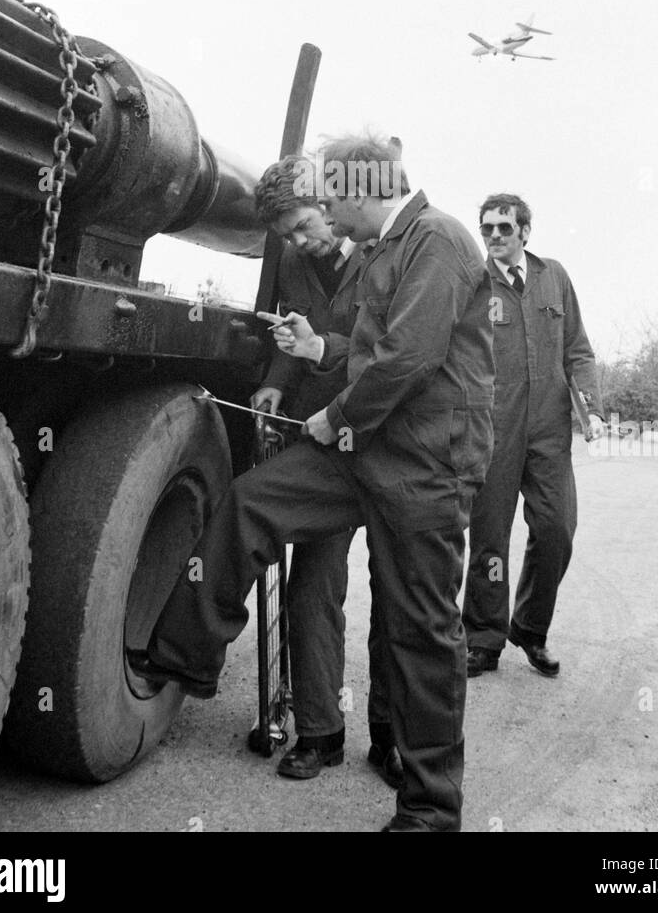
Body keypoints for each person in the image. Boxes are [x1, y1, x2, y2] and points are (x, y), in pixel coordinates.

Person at [130, 135, 494, 832]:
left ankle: (429, 809)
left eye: (330, 195)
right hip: (364, 450)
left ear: (363, 187)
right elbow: (363, 349)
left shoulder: (438, 238)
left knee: (420, 632)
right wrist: (316, 350)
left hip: (422, 465)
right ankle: (187, 657)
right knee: (252, 503)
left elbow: (407, 360)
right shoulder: (388, 248)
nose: (323, 209)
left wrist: (333, 416)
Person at [250, 156, 401, 788]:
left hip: (392, 443)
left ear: (331, 201)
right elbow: (291, 334)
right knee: (313, 586)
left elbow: (398, 353)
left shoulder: (387, 248)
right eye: (287, 234)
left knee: (399, 596)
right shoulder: (294, 259)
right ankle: (321, 732)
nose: (299, 242)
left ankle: (392, 739)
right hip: (323, 443)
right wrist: (275, 385)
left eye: (305, 225)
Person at [462, 193, 603, 679]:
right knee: (489, 539)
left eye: (504, 228)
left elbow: (578, 350)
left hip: (548, 428)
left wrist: (593, 408)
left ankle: (530, 628)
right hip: (493, 429)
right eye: (487, 229)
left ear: (525, 231)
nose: (495, 236)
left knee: (557, 529)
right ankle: (482, 638)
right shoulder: (472, 283)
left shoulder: (554, 277)